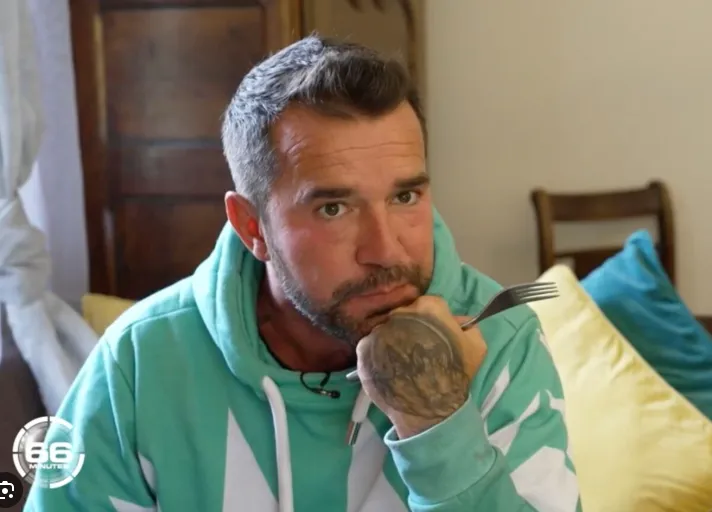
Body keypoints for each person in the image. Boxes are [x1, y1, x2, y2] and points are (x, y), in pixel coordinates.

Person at [24, 35, 580, 511]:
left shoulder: (500, 338)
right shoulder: (140, 361)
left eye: (405, 196)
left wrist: (439, 425)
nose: (385, 250)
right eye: (334, 208)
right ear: (252, 227)